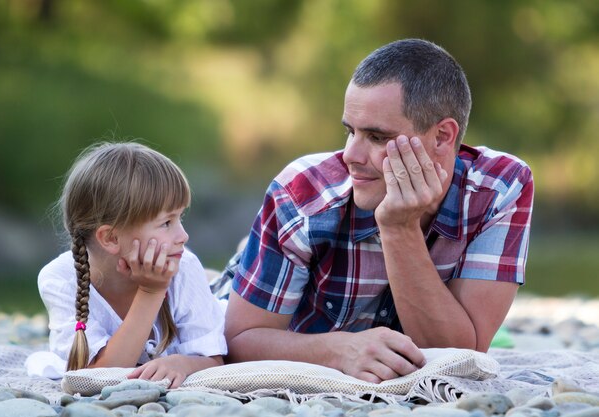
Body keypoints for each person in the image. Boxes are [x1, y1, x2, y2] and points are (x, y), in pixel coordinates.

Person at [220, 38, 534, 383]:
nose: (351, 155)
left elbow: (458, 357)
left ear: (443, 137)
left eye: (377, 137)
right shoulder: (302, 194)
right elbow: (238, 340)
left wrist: (399, 227)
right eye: (349, 131)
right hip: (235, 306)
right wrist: (342, 350)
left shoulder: (499, 190)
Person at [36, 142, 226, 388]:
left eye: (180, 217)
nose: (183, 236)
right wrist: (152, 292)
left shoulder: (184, 266)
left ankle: (218, 278)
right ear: (111, 238)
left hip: (222, 302)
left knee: (227, 290)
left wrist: (184, 363)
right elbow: (100, 376)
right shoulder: (60, 280)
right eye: (166, 222)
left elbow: (214, 360)